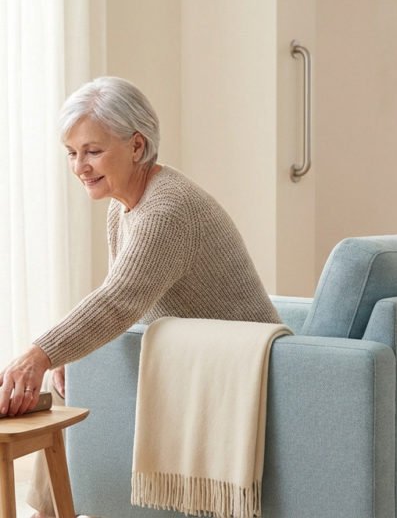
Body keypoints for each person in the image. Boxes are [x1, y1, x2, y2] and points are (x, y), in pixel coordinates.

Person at [0, 76, 280, 518]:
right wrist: (74, 353)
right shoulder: (124, 203)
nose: (79, 167)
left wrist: (40, 354)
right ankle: (51, 512)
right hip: (193, 358)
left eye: (93, 151)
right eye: (71, 153)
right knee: (70, 398)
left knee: (65, 400)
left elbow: (118, 301)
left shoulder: (166, 211)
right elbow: (133, 299)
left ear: (136, 146)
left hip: (242, 370)